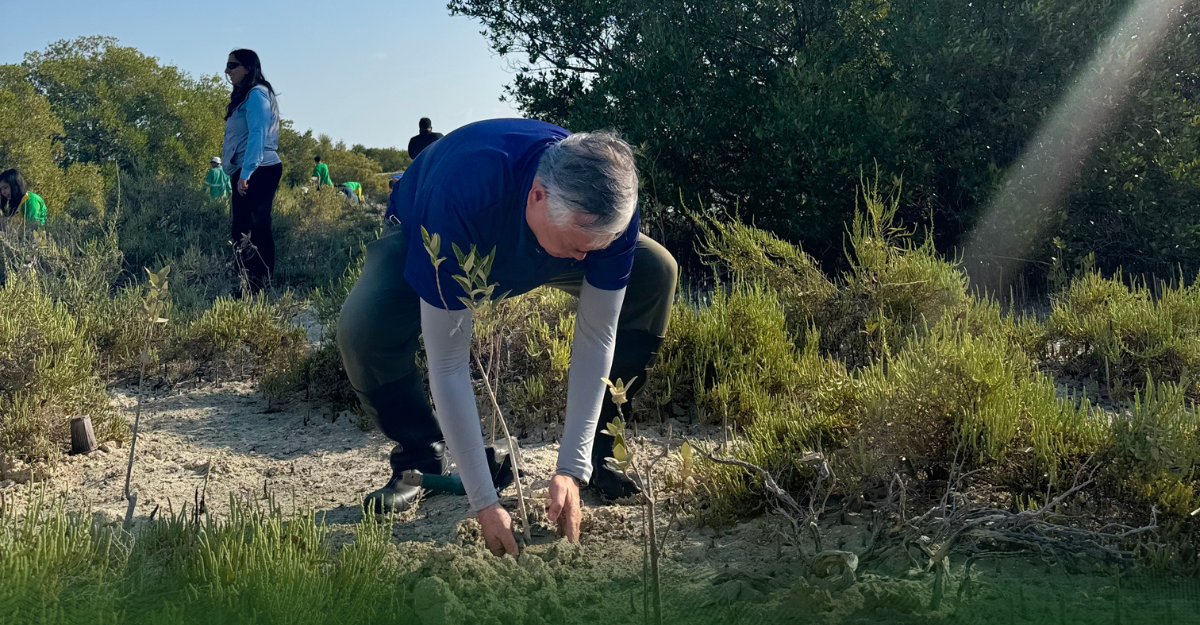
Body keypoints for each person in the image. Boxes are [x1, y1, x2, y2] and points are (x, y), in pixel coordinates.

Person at [337, 119, 677, 557]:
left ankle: (599, 450)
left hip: (544, 229)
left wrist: (569, 468)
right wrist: (484, 500)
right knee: (364, 327)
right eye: (579, 247)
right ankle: (420, 454)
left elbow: (597, 335)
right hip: (434, 232)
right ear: (538, 197)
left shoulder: (604, 207)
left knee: (656, 272)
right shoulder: (461, 200)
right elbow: (448, 362)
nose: (584, 260)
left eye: (597, 248)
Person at [221, 48, 282, 295]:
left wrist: (247, 172)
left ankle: (257, 284)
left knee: (256, 226)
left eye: (232, 65)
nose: (227, 71)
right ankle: (247, 282)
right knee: (242, 228)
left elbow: (258, 132)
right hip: (249, 168)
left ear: (248, 68)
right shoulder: (245, 96)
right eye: (227, 66)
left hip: (260, 168)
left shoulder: (257, 94)